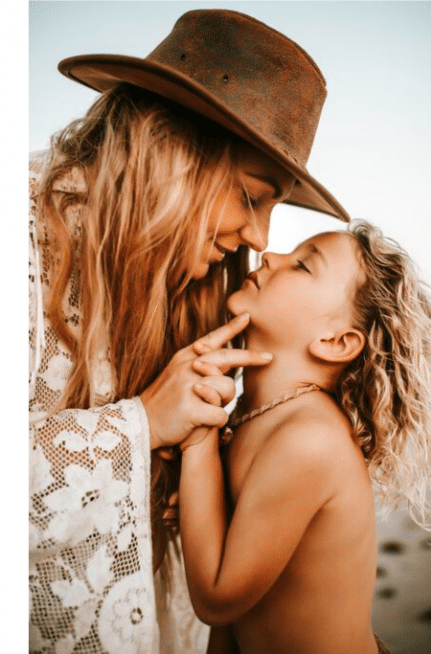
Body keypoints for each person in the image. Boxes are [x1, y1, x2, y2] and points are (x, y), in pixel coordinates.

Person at [29, 10, 349, 653]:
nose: (261, 240)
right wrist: (140, 425)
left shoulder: (190, 285)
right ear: (175, 154)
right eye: (253, 197)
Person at [176, 222, 431, 653]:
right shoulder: (256, 417)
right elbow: (232, 629)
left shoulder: (309, 439)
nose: (270, 256)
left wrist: (197, 443)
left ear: (336, 341)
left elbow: (217, 598)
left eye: (302, 265)